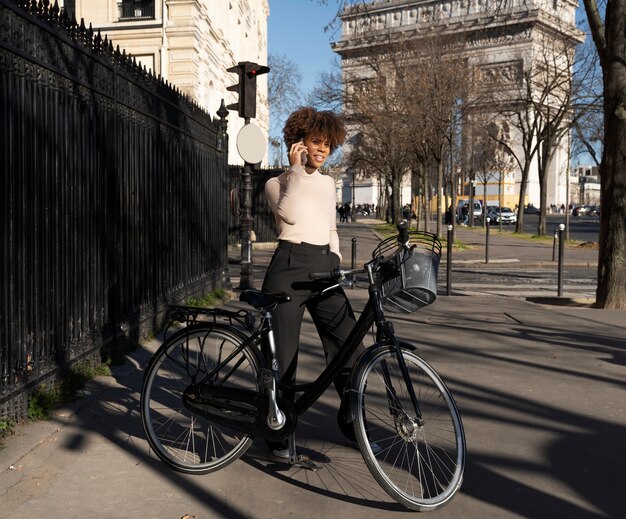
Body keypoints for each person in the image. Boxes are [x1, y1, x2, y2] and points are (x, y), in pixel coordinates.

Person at [262, 107, 378, 458]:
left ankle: (353, 418)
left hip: (324, 269)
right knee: (285, 357)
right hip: (288, 268)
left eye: (328, 144)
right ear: (299, 142)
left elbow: (331, 228)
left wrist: (337, 259)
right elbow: (291, 215)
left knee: (349, 346)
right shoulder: (276, 183)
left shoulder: (328, 183)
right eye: (317, 142)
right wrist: (295, 170)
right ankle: (278, 430)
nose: (324, 149)